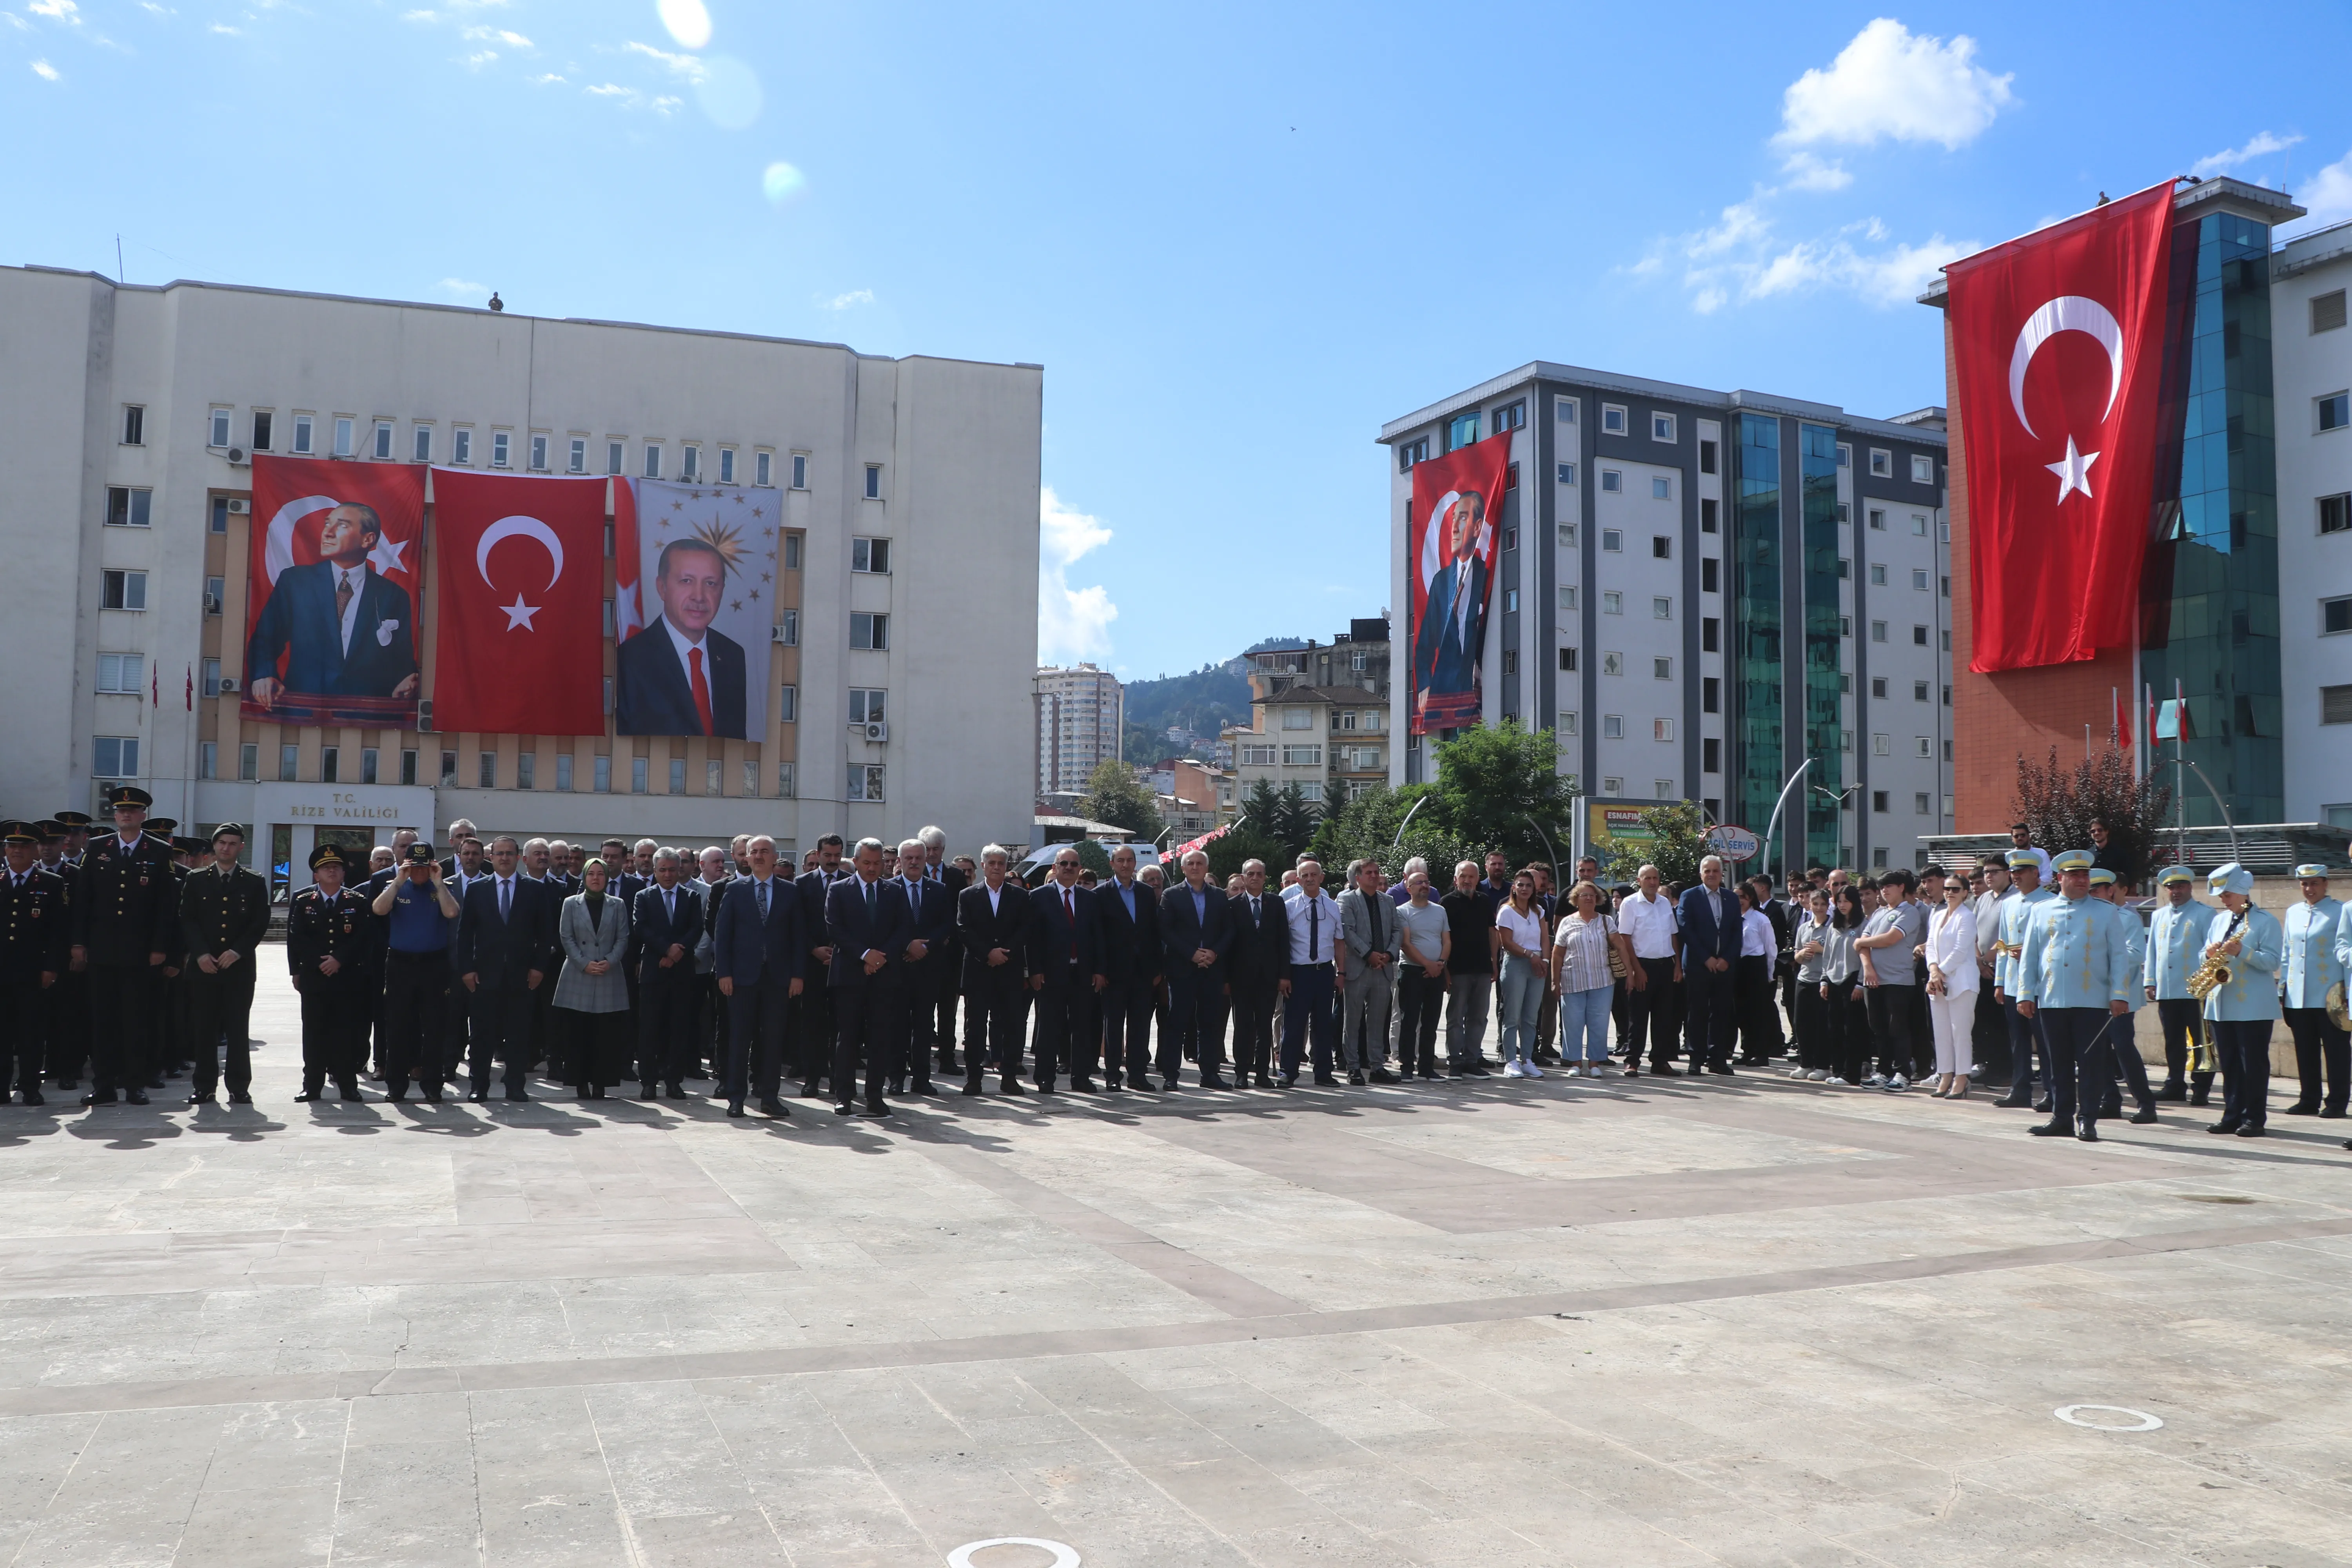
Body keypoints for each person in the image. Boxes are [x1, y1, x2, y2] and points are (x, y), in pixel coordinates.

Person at [243, 501, 419, 709]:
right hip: (302, 711)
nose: (328, 533)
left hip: (368, 715)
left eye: (342, 525)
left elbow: (402, 658)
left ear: (368, 539)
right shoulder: (295, 583)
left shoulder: (394, 595)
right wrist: (264, 675)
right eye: (328, 524)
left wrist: (406, 681)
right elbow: (266, 638)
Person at [2014, 850, 2136, 1141]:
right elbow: (2031, 955)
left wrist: (2119, 994)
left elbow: (2119, 957)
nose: (2082, 880)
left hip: (2092, 1000)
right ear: (2060, 878)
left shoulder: (2105, 911)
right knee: (2058, 1063)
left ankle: (2088, 1119)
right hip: (2053, 998)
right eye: (2075, 875)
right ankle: (2061, 1116)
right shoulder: (2042, 910)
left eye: (2085, 875)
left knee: (2091, 1063)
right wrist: (2025, 993)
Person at [69, 785, 177, 1105]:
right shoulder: (99, 846)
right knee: (103, 1021)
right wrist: (78, 943)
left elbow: (165, 906)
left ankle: (134, 1084)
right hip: (102, 950)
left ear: (143, 815)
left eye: (132, 810)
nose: (125, 814)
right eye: (120, 810)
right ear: (115, 814)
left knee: (135, 1020)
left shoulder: (158, 851)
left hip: (140, 952)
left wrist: (161, 947)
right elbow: (83, 899)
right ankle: (103, 1085)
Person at [614, 537, 750, 738]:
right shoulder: (631, 658)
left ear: (722, 591)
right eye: (687, 581)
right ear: (662, 588)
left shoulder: (733, 655)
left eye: (711, 583)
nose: (699, 596)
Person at [455, 835, 556, 1103]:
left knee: (518, 1035)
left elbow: (546, 935)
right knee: (481, 1036)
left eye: (509, 853)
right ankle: (479, 1086)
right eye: (499, 853)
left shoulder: (534, 889)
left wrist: (538, 968)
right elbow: (464, 934)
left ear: (518, 857)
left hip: (521, 976)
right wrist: (466, 969)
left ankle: (515, 1085)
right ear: (491, 857)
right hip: (484, 976)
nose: (504, 858)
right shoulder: (477, 889)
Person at [714, 835, 804, 1118]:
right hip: (742, 978)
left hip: (777, 978)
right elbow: (723, 934)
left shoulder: (790, 891)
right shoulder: (735, 890)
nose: (759, 856)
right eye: (754, 852)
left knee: (773, 1040)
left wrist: (798, 975)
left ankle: (769, 1097)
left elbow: (799, 938)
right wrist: (724, 973)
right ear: (746, 858)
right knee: (740, 1039)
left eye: (765, 852)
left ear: (775, 857)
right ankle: (736, 1098)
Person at [826, 837, 911, 1114]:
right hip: (849, 975)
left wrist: (879, 957)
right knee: (847, 1037)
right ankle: (844, 1096)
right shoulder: (839, 890)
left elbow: (903, 928)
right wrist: (864, 955)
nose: (873, 868)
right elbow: (835, 928)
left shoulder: (895, 891)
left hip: (884, 975)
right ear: (855, 862)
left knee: (880, 1037)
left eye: (878, 863)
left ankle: (875, 1096)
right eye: (867, 863)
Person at [368, 840, 457, 1103]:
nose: (419, 872)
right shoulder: (395, 887)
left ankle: (432, 1085)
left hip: (434, 963)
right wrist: (398, 881)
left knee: (434, 1026)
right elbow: (378, 909)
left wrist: (439, 882)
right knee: (397, 1025)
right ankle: (396, 1085)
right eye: (414, 866)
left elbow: (452, 912)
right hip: (401, 963)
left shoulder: (442, 888)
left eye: (424, 867)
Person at [2200, 862, 2281, 1138]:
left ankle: (2255, 1118)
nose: (2223, 900)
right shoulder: (2219, 921)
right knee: (2231, 1064)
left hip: (2254, 1006)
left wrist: (2243, 952)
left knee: (2254, 1065)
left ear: (2241, 892)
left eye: (2227, 895)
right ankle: (2232, 1114)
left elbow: (2272, 961)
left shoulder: (2265, 921)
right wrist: (2209, 954)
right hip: (2223, 1004)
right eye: (2222, 896)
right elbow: (2204, 954)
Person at [287, 843, 371, 1102]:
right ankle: (312, 1085)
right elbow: (297, 937)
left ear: (344, 873)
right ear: (316, 875)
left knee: (345, 1032)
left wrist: (339, 960)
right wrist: (301, 969)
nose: (331, 871)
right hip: (314, 977)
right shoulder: (303, 901)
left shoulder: (356, 901)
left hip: (346, 977)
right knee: (313, 1032)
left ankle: (347, 1084)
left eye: (336, 867)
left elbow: (363, 938)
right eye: (326, 868)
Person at [550, 858, 632, 1100]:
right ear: (584, 878)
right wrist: (584, 963)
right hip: (578, 973)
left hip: (609, 973)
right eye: (591, 874)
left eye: (601, 874)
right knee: (578, 1033)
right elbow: (566, 937)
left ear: (607, 878)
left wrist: (611, 960)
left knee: (605, 1035)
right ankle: (580, 1083)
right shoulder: (570, 904)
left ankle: (601, 1084)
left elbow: (623, 938)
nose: (596, 879)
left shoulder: (618, 905)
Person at [0, 821, 66, 1105]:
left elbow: (58, 931)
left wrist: (51, 967)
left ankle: (30, 1086)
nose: (17, 851)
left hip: (33, 971)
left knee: (32, 1033)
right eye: (12, 846)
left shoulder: (51, 883)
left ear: (35, 850)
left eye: (24, 847)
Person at [956, 845, 1031, 1095]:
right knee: (974, 1027)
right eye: (992, 863)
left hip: (1008, 970)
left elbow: (1024, 929)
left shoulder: (1020, 896)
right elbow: (964, 929)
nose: (997, 867)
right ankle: (974, 1078)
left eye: (1002, 863)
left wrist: (1003, 953)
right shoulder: (968, 895)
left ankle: (1009, 1077)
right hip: (979, 970)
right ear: (983, 866)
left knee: (1011, 1025)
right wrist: (988, 953)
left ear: (1006, 866)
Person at [1411, 488, 1492, 719]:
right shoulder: (1441, 581)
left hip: (1476, 694)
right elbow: (1425, 645)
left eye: (1463, 518)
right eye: (1454, 518)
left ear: (1478, 527)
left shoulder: (1487, 577)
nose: (1454, 527)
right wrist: (1425, 685)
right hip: (1442, 696)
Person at [1026, 847, 1101, 1093]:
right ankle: (1045, 1078)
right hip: (1050, 974)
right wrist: (1035, 970)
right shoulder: (1038, 897)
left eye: (1074, 864)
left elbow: (1098, 938)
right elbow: (1033, 938)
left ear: (1080, 869)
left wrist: (1099, 970)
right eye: (1064, 864)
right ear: (1055, 868)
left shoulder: (1090, 899)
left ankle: (1081, 1077)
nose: (1069, 868)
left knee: (1082, 1028)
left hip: (1083, 973)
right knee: (1049, 1028)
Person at [632, 847, 704, 1099]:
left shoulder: (692, 897)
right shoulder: (644, 896)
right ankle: (649, 1082)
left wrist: (677, 953)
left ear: (680, 870)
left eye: (672, 869)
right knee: (650, 1028)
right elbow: (641, 928)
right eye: (662, 870)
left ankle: (674, 1081)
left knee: (679, 1028)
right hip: (654, 970)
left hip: (682, 972)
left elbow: (697, 928)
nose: (668, 874)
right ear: (655, 871)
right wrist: (665, 950)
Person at [1092, 844, 1163, 1091]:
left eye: (1129, 860)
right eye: (1120, 860)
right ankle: (1112, 1074)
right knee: (1113, 1026)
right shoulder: (1101, 894)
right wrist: (1100, 970)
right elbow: (1097, 936)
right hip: (1113, 974)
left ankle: (1137, 1074)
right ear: (1112, 864)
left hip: (1143, 973)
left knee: (1140, 1026)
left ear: (1135, 864)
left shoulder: (1146, 893)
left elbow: (1154, 933)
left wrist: (1156, 969)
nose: (1125, 865)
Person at [1159, 849, 1232, 1088]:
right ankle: (1171, 1075)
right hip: (1182, 968)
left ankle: (1210, 1074)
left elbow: (1229, 931)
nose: (1195, 867)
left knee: (1210, 1024)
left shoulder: (1220, 896)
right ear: (1183, 868)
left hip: (1212, 968)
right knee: (1177, 1023)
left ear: (1206, 868)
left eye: (1200, 863)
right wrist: (1191, 954)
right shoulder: (1171, 895)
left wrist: (1215, 952)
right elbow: (1166, 931)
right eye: (1190, 863)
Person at [2143, 866, 2214, 1106]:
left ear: (2190, 887)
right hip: (2168, 988)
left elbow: (2212, 952)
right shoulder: (2159, 916)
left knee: (2201, 1041)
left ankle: (2201, 1087)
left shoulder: (2205, 914)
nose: (2176, 891)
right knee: (2173, 1040)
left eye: (2181, 886)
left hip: (2196, 990)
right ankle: (2175, 1083)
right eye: (2172, 887)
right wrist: (2150, 981)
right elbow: (2152, 951)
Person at [1992, 849, 2056, 1109]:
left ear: (2035, 873)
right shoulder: (2009, 903)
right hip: (2012, 980)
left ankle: (2053, 1091)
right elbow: (2002, 944)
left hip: (2039, 982)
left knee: (2045, 1041)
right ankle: (2020, 1089)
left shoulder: (2049, 902)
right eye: (2013, 873)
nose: (2016, 877)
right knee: (2018, 1040)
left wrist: (2031, 952)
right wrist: (1999, 981)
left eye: (2021, 872)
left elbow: (2054, 943)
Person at [2282, 864, 2348, 1119]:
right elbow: (2289, 954)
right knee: (2305, 1050)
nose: (2309, 889)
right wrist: (2283, 989)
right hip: (2299, 995)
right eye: (2304, 884)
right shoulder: (2293, 912)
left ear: (2326, 884)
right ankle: (2308, 1099)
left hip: (2332, 995)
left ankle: (2337, 1102)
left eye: (2314, 884)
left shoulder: (2340, 911)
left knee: (2337, 1052)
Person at [890, 837, 953, 1096]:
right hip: (898, 968)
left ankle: (922, 1079)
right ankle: (895, 1078)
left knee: (924, 1027)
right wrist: (907, 945)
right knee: (897, 1026)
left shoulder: (938, 890)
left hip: (928, 968)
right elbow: (885, 925)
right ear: (900, 861)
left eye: (919, 858)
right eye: (909, 858)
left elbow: (948, 923)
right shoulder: (888, 889)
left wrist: (925, 948)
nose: (914, 862)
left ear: (926, 860)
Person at [1853, 871, 1925, 1092]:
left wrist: (1861, 941)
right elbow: (1862, 946)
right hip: (1873, 980)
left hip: (1898, 980)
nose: (1885, 891)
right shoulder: (1878, 914)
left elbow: (1891, 938)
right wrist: (1868, 969)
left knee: (1898, 1028)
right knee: (1879, 1028)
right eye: (1882, 887)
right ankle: (1883, 1071)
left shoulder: (1909, 912)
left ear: (1901, 888)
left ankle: (1903, 1073)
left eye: (1889, 887)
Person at [1278, 856, 1344, 1087]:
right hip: (1298, 973)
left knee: (1324, 1025)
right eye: (1304, 876)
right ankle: (1288, 1072)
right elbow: (1282, 944)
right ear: (1298, 880)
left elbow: (1338, 942)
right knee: (1294, 1025)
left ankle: (1324, 1072)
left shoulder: (1333, 906)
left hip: (1324, 972)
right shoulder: (1289, 907)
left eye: (1314, 875)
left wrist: (1341, 973)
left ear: (1322, 878)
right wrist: (1284, 976)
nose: (1310, 879)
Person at [1550, 879, 1624, 1079]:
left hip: (1602, 981)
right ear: (1576, 899)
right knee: (1573, 1023)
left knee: (1599, 1023)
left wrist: (1631, 972)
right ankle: (1575, 1063)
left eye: (1593, 895)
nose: (1589, 898)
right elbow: (1557, 954)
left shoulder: (1606, 921)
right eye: (1584, 895)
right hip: (1573, 981)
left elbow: (1621, 947)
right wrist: (1555, 981)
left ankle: (1594, 1063)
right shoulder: (1567, 922)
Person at [1336, 858, 1400, 1085]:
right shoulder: (1346, 899)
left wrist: (1389, 955)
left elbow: (1396, 930)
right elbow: (1347, 931)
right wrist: (1369, 954)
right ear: (1358, 878)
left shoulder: (1388, 901)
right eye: (1369, 873)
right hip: (1358, 968)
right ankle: (1353, 1067)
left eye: (1377, 872)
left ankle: (1377, 1067)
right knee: (1352, 1021)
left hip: (1383, 969)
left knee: (1377, 1021)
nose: (1374, 876)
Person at [1676, 855, 1742, 1076]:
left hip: (1724, 965)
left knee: (1722, 1012)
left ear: (1722, 873)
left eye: (1716, 871)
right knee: (1697, 1012)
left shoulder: (1731, 898)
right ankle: (1696, 1058)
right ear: (1701, 873)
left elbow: (1736, 933)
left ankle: (1718, 1058)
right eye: (1707, 871)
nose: (1712, 874)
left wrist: (1726, 959)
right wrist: (1707, 958)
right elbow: (1686, 929)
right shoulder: (1690, 896)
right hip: (1698, 964)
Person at [1226, 858, 1288, 1088]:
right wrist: (1226, 979)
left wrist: (1284, 976)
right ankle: (1241, 1072)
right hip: (1240, 978)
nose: (1255, 878)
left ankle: (1262, 1073)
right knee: (1243, 1027)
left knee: (1264, 1026)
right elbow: (1228, 945)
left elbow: (1284, 941)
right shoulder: (1233, 905)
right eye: (1250, 874)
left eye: (1259, 874)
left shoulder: (1276, 903)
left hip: (1268, 978)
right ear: (1243, 878)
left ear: (1265, 877)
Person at [1616, 864, 1681, 1078]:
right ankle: (1632, 1060)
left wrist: (1678, 965)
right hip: (1642, 965)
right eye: (1648, 878)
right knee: (1639, 1016)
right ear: (1639, 880)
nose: (1652, 882)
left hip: (1666, 965)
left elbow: (1674, 935)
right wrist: (1636, 970)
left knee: (1664, 1018)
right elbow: (1625, 938)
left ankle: (1660, 1061)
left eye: (1656, 878)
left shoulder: (1664, 903)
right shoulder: (1630, 904)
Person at [793, 834, 846, 1098]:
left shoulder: (849, 883)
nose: (833, 861)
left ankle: (838, 1081)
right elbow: (796, 923)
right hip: (812, 964)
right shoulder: (802, 884)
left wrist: (840, 951)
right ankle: (812, 1079)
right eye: (828, 856)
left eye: (838, 856)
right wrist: (813, 948)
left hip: (843, 963)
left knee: (841, 1024)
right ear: (818, 854)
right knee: (813, 1025)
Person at [1922, 871, 1978, 1099]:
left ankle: (1962, 1077)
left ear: (1965, 893)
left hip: (1962, 981)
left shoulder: (1967, 916)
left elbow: (1961, 950)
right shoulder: (1937, 915)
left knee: (1960, 1032)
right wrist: (1934, 970)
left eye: (1956, 889)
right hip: (1939, 980)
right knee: (1942, 1031)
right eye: (1947, 889)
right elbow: (1931, 946)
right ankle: (1945, 1075)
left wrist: (1940, 972)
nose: (1950, 893)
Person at [1437, 861, 1495, 1076]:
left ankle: (1472, 1060)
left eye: (1471, 877)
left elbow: (1492, 933)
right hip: (1458, 970)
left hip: (1482, 968)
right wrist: (1445, 969)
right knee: (1455, 1018)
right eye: (1463, 876)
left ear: (1478, 879)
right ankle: (1455, 1061)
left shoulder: (1484, 901)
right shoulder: (1447, 903)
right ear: (1456, 879)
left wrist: (1494, 963)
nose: (1467, 880)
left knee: (1479, 1017)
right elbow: (1442, 939)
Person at [1394, 869, 1449, 1081]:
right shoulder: (1402, 911)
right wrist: (1428, 964)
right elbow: (1406, 944)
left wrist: (1441, 964)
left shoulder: (1440, 911)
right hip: (1412, 972)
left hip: (1436, 972)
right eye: (1418, 883)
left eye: (1426, 882)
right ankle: (1407, 1067)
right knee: (1409, 1021)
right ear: (1409, 889)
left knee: (1431, 1022)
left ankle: (1427, 1067)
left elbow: (1447, 941)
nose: (1424, 886)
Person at [1492, 870, 1548, 1079]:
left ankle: (1528, 1060)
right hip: (1516, 963)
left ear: (1534, 889)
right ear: (1514, 887)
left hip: (1537, 965)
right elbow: (1507, 943)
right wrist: (1530, 956)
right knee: (1512, 1016)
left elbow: (1545, 938)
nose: (1525, 889)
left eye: (1529, 886)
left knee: (1531, 1017)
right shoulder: (1507, 911)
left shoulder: (1539, 911)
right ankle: (1510, 1061)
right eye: (1521, 885)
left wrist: (1545, 961)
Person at [1789, 888, 1833, 1082]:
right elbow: (1797, 956)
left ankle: (1823, 1065)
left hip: (1823, 980)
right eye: (1816, 904)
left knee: (1822, 1025)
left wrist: (1820, 949)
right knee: (1802, 1023)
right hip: (1804, 979)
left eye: (1823, 904)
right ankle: (1805, 1063)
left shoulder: (1833, 927)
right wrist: (1801, 955)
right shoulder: (1804, 928)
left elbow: (1837, 954)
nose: (1819, 908)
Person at [1734, 884, 1781, 1064]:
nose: (1740, 901)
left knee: (1758, 1013)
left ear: (1751, 898)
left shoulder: (1761, 919)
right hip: (1739, 966)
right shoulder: (1733, 919)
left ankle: (1761, 1053)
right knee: (1742, 1012)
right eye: (1736, 897)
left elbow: (1771, 948)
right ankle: (1747, 1050)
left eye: (1743, 897)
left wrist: (1770, 974)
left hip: (1756, 966)